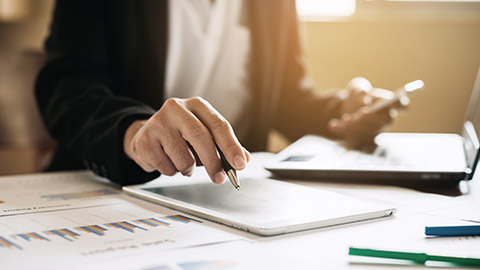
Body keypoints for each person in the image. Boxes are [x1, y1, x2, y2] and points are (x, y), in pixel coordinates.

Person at [35, 0, 406, 186]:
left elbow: (287, 99)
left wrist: (345, 111)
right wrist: (134, 131)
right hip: (112, 191)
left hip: (231, 197)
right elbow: (66, 83)